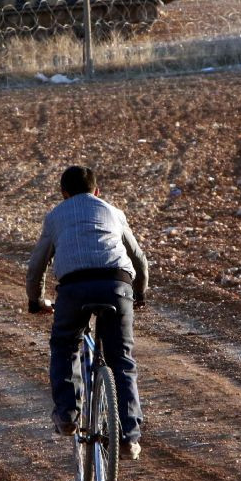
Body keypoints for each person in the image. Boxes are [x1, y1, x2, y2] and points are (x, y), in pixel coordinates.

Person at [26, 165, 148, 460]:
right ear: (97, 191)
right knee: (121, 359)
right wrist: (140, 294)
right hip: (117, 285)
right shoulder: (114, 212)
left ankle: (67, 415)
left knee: (65, 345)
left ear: (64, 194)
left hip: (74, 289)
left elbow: (37, 266)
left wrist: (36, 300)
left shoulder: (55, 216)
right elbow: (140, 260)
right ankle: (129, 438)